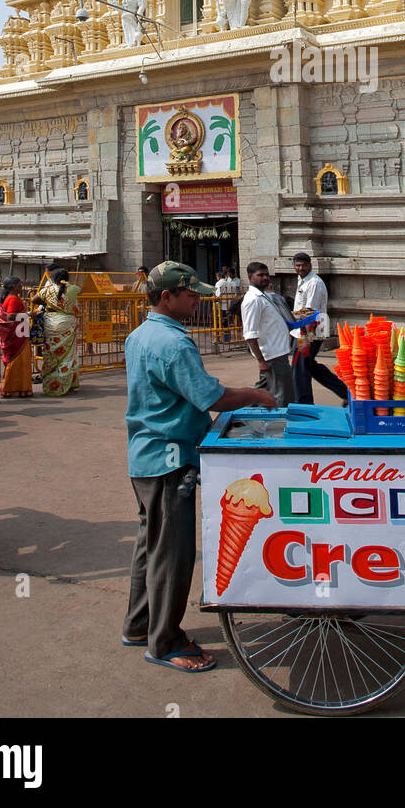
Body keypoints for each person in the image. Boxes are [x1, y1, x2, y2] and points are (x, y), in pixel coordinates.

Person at [123, 261, 276, 671]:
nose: (197, 301)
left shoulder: (140, 335)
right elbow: (209, 396)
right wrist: (255, 396)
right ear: (166, 297)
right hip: (170, 459)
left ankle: (139, 624)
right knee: (172, 553)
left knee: (150, 544)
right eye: (190, 295)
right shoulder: (174, 344)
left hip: (145, 455)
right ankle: (166, 641)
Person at [291, 254, 348, 406]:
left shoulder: (314, 283)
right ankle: (345, 392)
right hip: (302, 330)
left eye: (303, 265)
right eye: (297, 266)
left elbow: (311, 313)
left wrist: (306, 339)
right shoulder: (301, 280)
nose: (300, 268)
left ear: (310, 265)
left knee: (300, 367)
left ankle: (304, 403)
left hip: (311, 332)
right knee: (310, 366)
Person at [241, 263, 297, 407]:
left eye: (266, 275)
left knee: (261, 392)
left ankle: (240, 415)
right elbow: (250, 335)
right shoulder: (253, 300)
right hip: (272, 355)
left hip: (277, 352)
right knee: (283, 397)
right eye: (260, 275)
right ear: (250, 277)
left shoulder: (263, 296)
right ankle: (280, 425)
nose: (265, 278)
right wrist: (261, 361)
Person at [38, 268, 82, 396]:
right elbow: (81, 290)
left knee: (51, 354)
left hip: (50, 323)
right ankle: (66, 383)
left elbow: (35, 299)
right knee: (67, 355)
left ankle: (50, 385)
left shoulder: (48, 290)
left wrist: (49, 304)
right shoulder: (73, 289)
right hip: (67, 325)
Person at [0, 276, 33, 398]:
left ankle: (16, 388)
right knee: (18, 362)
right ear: (14, 287)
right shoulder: (13, 299)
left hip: (19, 334)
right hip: (17, 336)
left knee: (19, 362)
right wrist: (28, 314)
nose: (21, 287)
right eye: (20, 284)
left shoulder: (10, 298)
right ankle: (12, 388)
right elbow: (10, 316)